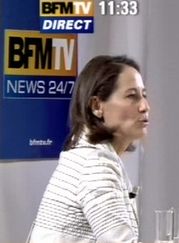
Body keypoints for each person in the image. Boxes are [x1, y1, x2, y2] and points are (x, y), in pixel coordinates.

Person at [27, 55, 150, 243]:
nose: (144, 106)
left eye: (144, 95)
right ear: (96, 106)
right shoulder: (95, 164)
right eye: (132, 96)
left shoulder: (87, 155)